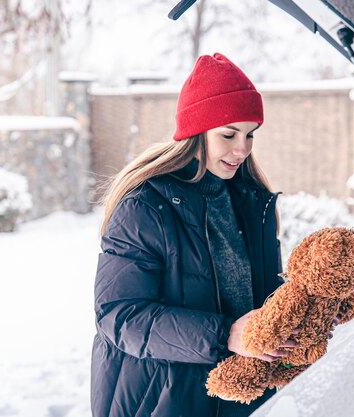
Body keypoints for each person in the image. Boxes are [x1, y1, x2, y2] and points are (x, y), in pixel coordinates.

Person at [91, 53, 295, 417]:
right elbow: (119, 317)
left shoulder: (252, 202)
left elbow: (260, 297)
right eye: (229, 134)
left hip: (243, 397)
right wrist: (225, 335)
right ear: (196, 132)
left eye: (250, 134)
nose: (242, 149)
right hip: (165, 400)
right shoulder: (145, 207)